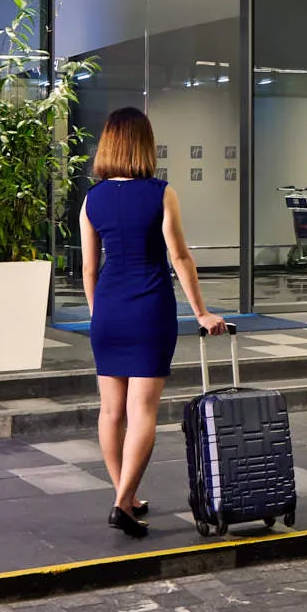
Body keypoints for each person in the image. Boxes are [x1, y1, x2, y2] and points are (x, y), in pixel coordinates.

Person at [80, 107, 226, 538]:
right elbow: (179, 257)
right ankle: (123, 501)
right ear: (144, 145)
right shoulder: (161, 193)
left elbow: (89, 268)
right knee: (141, 411)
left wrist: (98, 313)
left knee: (111, 411)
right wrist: (201, 312)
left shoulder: (92, 199)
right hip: (149, 309)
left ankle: (124, 495)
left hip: (108, 310)